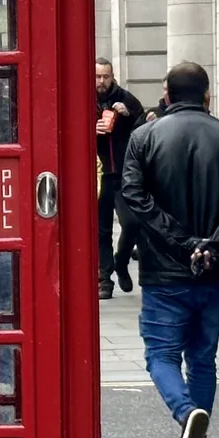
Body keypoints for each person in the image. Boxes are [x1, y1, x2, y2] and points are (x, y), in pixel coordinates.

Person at [121, 62, 219, 438]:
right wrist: (213, 244)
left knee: (161, 354)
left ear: (166, 94)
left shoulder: (143, 138)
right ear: (207, 95)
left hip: (166, 271)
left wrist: (184, 243)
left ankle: (187, 414)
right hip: (217, 271)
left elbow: (134, 196)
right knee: (203, 357)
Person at [94, 58, 142, 298]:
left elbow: (144, 131)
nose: (101, 82)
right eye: (97, 77)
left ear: (113, 76)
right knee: (101, 230)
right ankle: (105, 279)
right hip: (98, 176)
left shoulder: (127, 99)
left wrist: (130, 115)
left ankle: (122, 262)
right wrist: (90, 130)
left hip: (124, 174)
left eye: (106, 76)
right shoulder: (83, 99)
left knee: (132, 222)